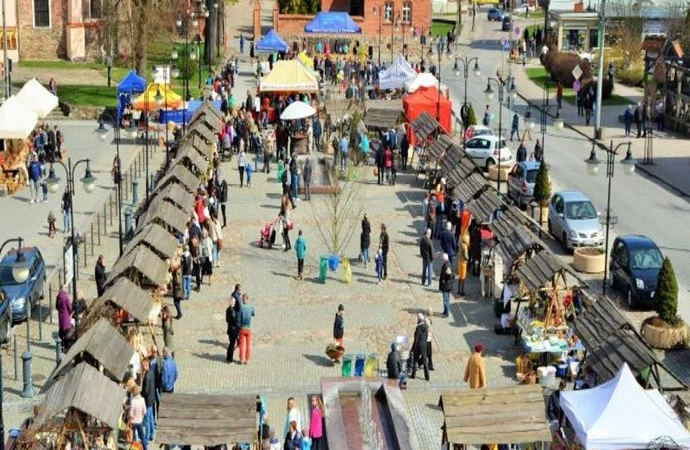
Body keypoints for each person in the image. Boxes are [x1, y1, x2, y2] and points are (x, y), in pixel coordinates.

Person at [410, 313, 430, 381]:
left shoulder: (418, 328)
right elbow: (426, 337)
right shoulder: (426, 327)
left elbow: (416, 340)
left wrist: (413, 349)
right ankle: (427, 377)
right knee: (425, 361)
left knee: (415, 360)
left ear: (418, 320)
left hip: (418, 347)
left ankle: (413, 375)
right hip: (424, 346)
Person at [140, 359, 156, 442]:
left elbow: (145, 391)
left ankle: (146, 437)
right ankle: (152, 433)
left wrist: (140, 393)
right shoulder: (152, 372)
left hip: (147, 400)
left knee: (146, 419)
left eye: (142, 366)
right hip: (152, 398)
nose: (142, 368)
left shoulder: (146, 376)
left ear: (145, 365)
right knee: (151, 417)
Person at [129, 385, 148, 450]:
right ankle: (145, 448)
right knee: (142, 437)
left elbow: (131, 414)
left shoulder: (133, 401)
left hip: (134, 422)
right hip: (140, 421)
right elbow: (145, 411)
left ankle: (134, 448)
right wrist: (141, 416)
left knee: (134, 438)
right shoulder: (142, 400)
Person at [238, 293, 255, 364]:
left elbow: (238, 316)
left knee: (241, 344)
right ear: (247, 299)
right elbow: (253, 314)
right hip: (248, 328)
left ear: (242, 299)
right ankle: (247, 359)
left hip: (242, 328)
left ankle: (241, 359)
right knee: (248, 345)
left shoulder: (241, 307)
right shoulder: (251, 307)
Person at [439, 254, 453, 318]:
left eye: (442, 259)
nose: (442, 260)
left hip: (446, 286)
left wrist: (444, 279)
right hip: (446, 285)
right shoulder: (447, 264)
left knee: (445, 300)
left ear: (445, 259)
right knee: (446, 300)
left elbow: (449, 275)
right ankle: (445, 311)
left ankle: (446, 313)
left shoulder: (447, 266)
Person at [226, 297, 238, 363]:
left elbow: (227, 320)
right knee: (232, 344)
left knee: (231, 343)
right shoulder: (232, 311)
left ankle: (228, 357)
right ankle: (230, 358)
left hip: (229, 328)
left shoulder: (227, 309)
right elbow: (234, 320)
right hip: (233, 329)